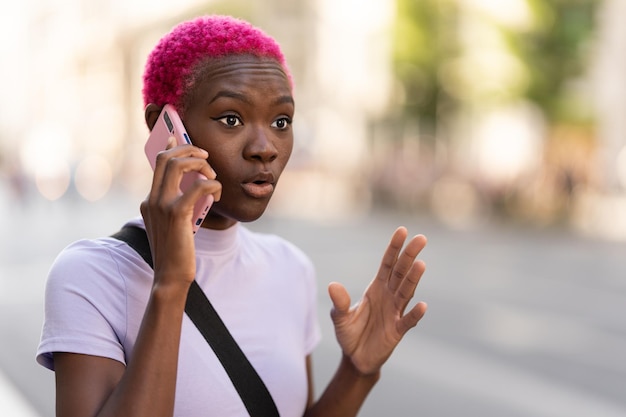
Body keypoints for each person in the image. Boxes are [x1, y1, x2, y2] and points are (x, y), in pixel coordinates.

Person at [36, 15, 429, 417]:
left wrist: (358, 371)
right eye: (231, 118)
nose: (265, 148)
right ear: (164, 129)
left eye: (281, 121)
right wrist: (171, 283)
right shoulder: (90, 275)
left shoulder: (290, 268)